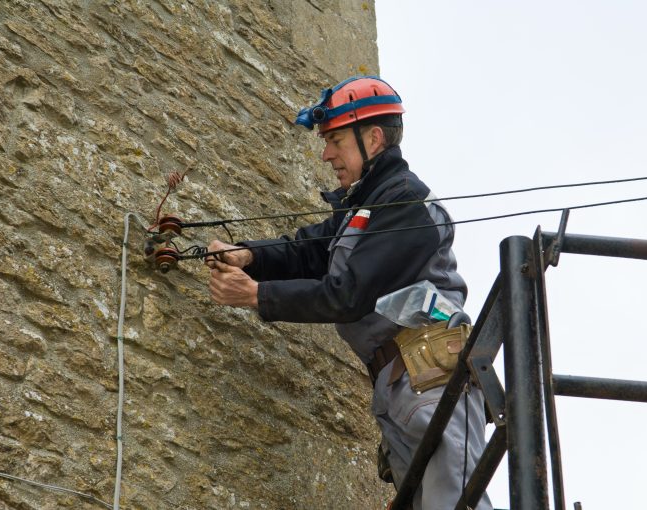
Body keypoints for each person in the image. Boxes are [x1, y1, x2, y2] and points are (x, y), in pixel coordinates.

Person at [205, 76, 492, 510]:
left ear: (373, 137)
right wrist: (248, 255)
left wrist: (255, 296)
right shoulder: (362, 209)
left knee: (453, 504)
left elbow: (347, 294)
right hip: (401, 386)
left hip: (433, 381)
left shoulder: (405, 203)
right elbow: (308, 249)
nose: (326, 154)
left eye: (335, 139)